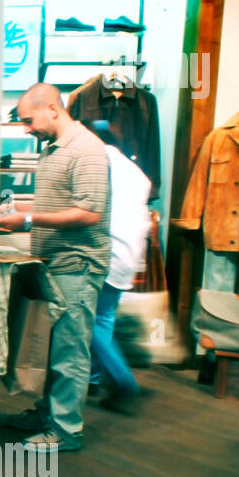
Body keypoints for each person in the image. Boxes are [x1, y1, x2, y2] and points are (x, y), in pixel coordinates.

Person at [0, 83, 111, 453]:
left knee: (69, 351)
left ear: (52, 108)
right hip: (54, 264)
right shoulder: (54, 149)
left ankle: (65, 430)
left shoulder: (87, 150)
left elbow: (89, 213)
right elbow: (61, 201)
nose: (27, 129)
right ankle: (49, 413)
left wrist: (27, 220)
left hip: (77, 265)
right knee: (51, 347)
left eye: (29, 121)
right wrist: (15, 213)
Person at [88, 120, 153, 411]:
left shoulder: (98, 163)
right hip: (129, 253)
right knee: (103, 319)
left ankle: (123, 380)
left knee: (85, 322)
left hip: (107, 250)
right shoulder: (134, 170)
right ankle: (94, 377)